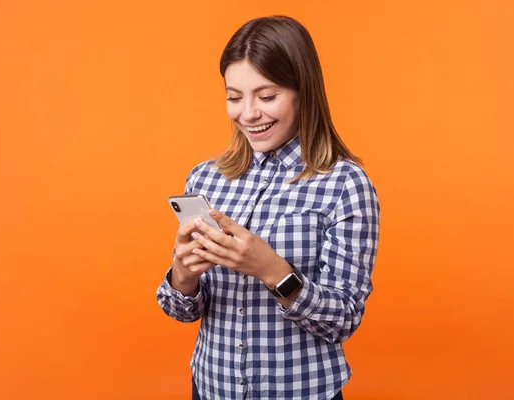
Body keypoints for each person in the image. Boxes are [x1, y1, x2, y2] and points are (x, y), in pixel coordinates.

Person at [156, 15, 380, 400]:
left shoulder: (345, 184)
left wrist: (271, 270)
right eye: (234, 96)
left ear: (302, 92)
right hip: (211, 389)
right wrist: (183, 275)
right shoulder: (205, 179)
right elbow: (182, 310)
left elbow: (344, 319)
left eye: (267, 95)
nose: (248, 113)